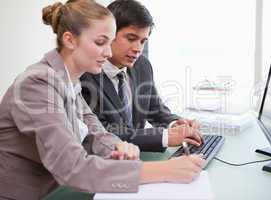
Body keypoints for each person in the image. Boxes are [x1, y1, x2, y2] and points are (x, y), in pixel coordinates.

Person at [0, 0, 205, 199]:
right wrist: (164, 170)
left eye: (109, 42)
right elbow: (73, 168)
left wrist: (117, 148)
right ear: (70, 39)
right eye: (100, 42)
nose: (108, 52)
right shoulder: (37, 84)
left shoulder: (69, 81)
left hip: (57, 190)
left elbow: (95, 132)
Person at [81, 0, 203, 152]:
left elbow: (155, 110)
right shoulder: (85, 75)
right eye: (131, 39)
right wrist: (165, 137)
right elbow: (105, 135)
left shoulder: (142, 65)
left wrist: (175, 124)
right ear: (108, 34)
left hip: (136, 157)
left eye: (143, 41)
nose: (138, 49)